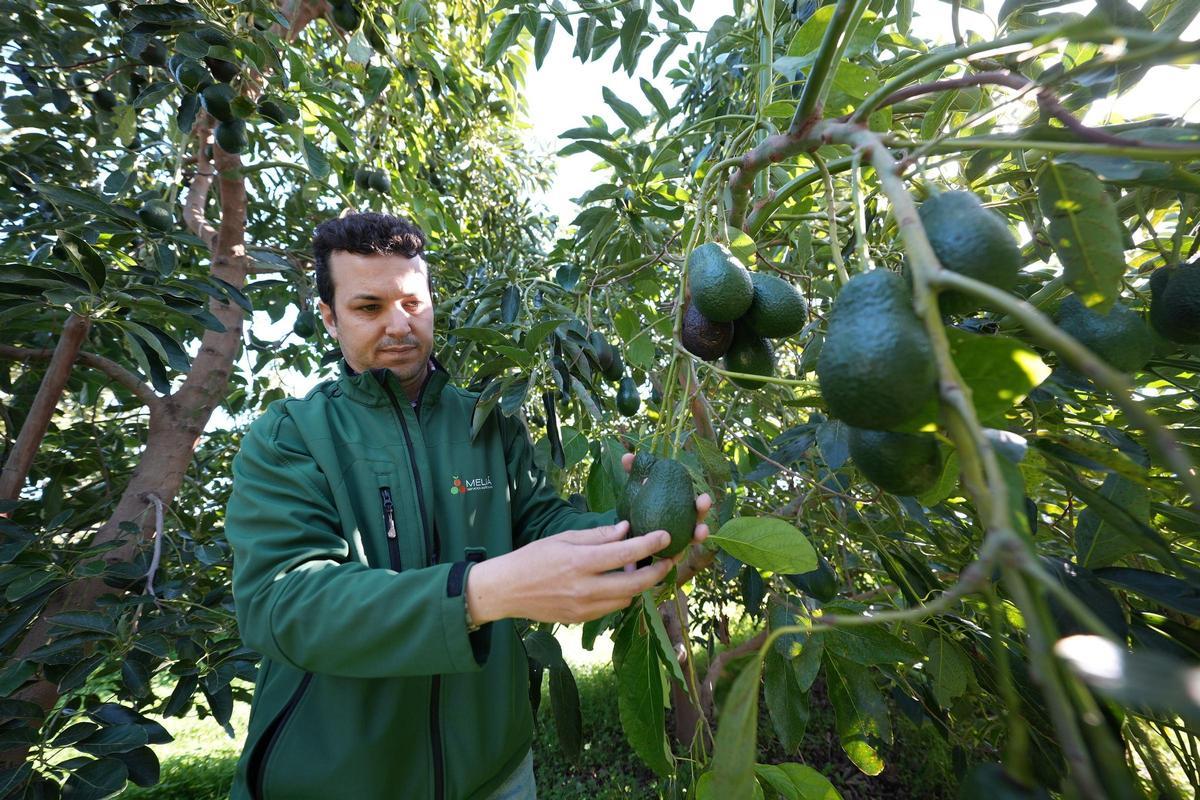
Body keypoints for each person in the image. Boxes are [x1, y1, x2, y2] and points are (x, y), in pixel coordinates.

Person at [223, 212, 711, 799]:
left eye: (411, 302)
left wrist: (632, 533)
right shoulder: (290, 435)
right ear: (329, 318)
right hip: (340, 783)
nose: (398, 325)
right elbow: (284, 602)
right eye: (368, 307)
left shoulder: (488, 421)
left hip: (496, 775)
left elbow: (543, 524)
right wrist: (479, 594)